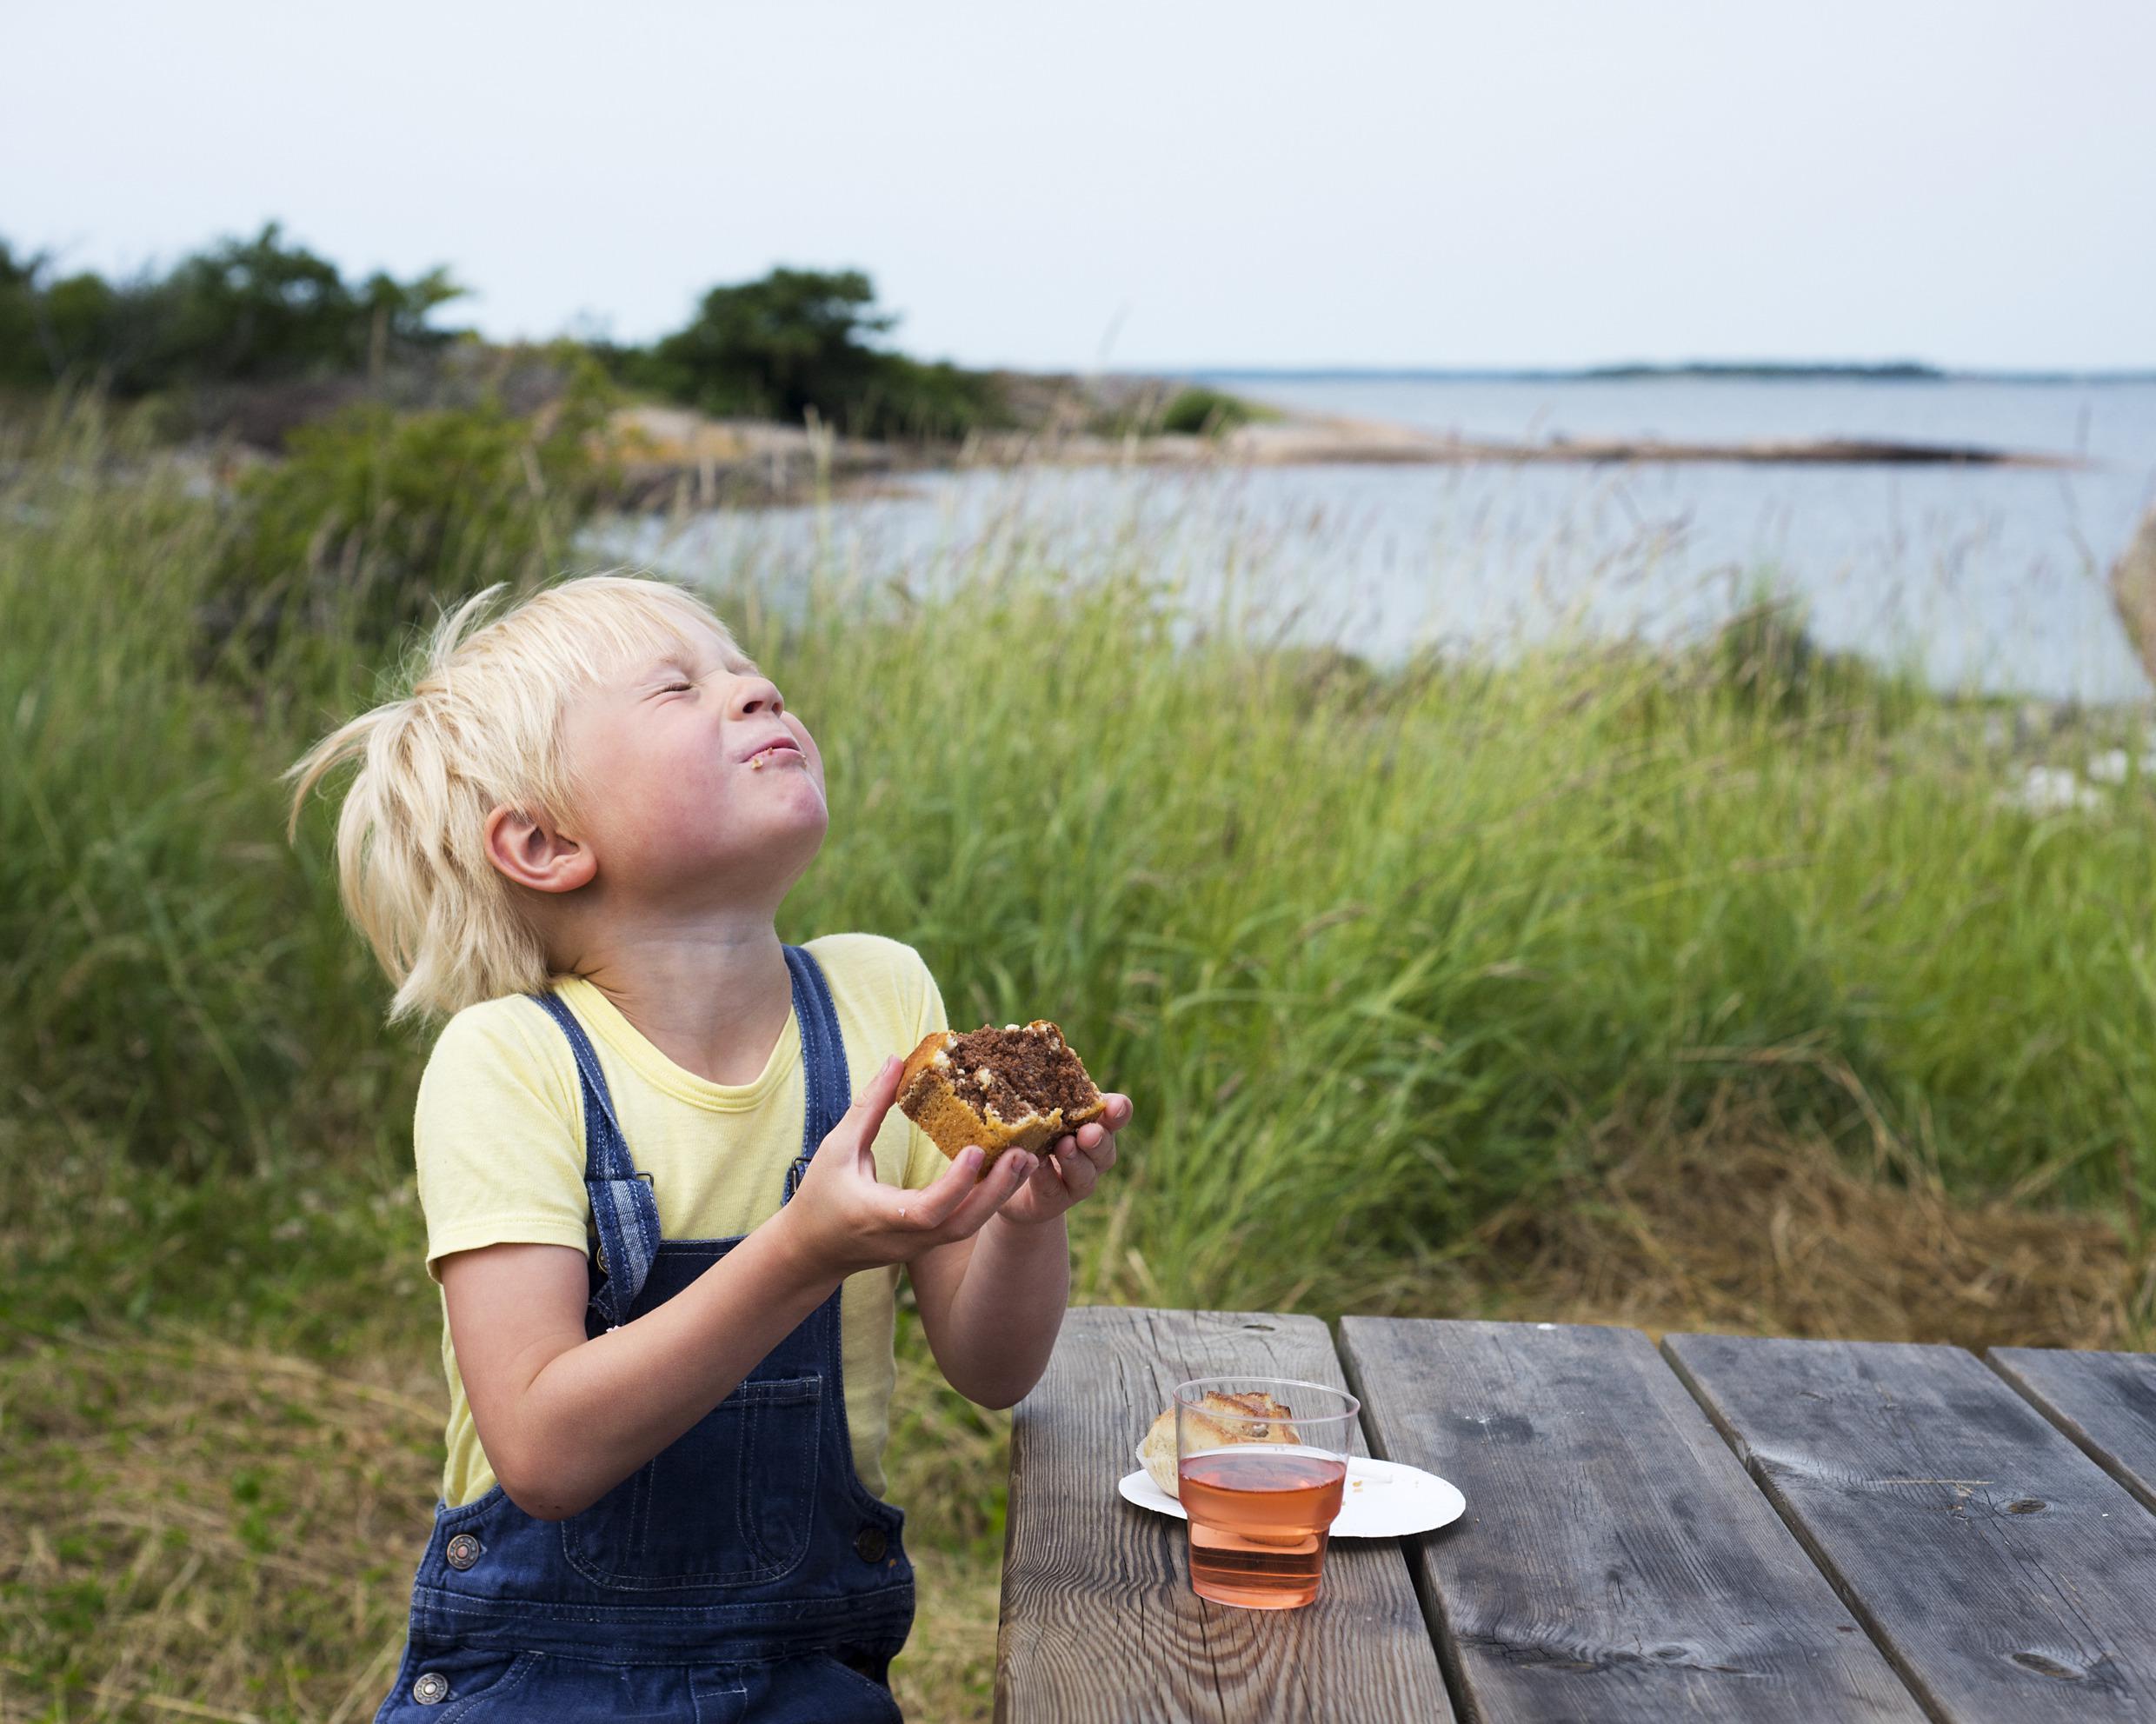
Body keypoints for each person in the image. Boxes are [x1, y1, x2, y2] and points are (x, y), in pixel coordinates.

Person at [285, 572, 1128, 1721]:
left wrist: (1027, 1222)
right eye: (681, 689)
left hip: (805, 1674)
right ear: (543, 841)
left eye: (747, 672)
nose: (756, 692)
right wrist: (804, 1252)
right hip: (547, 1682)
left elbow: (992, 1369)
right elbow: (539, 1449)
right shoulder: (512, 1063)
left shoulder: (881, 996)